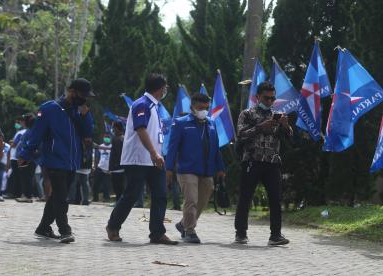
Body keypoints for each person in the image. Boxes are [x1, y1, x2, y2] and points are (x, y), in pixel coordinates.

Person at [17, 78, 95, 244]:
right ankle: (65, 230)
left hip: (73, 161)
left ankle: (43, 227)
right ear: (72, 91)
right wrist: (25, 153)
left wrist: (85, 114)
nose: (85, 99)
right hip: (54, 159)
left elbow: (88, 132)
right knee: (61, 196)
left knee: (58, 196)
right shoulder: (49, 108)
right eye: (82, 95)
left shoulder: (79, 110)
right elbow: (36, 133)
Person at [106, 73, 178, 245]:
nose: (166, 90)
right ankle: (113, 226)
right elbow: (141, 129)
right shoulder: (142, 104)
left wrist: (157, 155)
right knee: (132, 195)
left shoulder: (155, 106)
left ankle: (157, 233)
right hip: (139, 159)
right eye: (165, 87)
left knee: (160, 195)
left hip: (154, 160)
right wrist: (154, 153)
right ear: (160, 89)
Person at [235, 81, 292, 246]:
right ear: (257, 97)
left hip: (272, 162)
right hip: (252, 161)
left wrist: (286, 126)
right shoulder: (247, 114)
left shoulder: (278, 114)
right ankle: (241, 233)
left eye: (272, 99)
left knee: (275, 198)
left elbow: (289, 137)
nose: (269, 102)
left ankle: (275, 235)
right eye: (266, 98)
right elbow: (241, 134)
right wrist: (260, 126)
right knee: (245, 197)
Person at [165, 94, 225, 243]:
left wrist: (220, 168)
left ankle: (183, 224)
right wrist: (169, 169)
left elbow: (216, 148)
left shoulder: (211, 123)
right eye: (200, 108)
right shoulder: (181, 123)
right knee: (191, 200)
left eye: (206, 108)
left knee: (202, 202)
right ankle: (189, 231)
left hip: (207, 170)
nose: (203, 111)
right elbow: (172, 148)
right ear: (192, 107)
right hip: (187, 169)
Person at [16, 113, 37, 203]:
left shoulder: (30, 132)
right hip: (28, 158)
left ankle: (27, 196)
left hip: (26, 158)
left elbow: (27, 146)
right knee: (27, 176)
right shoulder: (32, 131)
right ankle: (26, 194)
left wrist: (22, 157)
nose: (22, 122)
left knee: (26, 176)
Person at [4, 117, 26, 199]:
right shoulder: (26, 131)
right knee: (21, 176)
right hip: (23, 156)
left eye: (19, 122)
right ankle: (20, 193)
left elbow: (14, 144)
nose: (17, 124)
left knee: (15, 176)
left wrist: (12, 142)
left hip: (16, 158)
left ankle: (13, 193)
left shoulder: (21, 133)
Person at [108, 121, 126, 204]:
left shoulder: (117, 139)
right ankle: (119, 201)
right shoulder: (123, 138)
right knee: (119, 186)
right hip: (121, 166)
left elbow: (117, 154)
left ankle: (119, 202)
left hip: (117, 167)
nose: (112, 130)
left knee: (117, 186)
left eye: (113, 128)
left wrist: (113, 165)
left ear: (117, 128)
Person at [92, 134, 112, 202]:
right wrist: (94, 166)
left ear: (110, 138)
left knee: (106, 185)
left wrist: (111, 169)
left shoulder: (112, 146)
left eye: (108, 137)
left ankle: (106, 198)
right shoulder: (101, 146)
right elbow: (96, 156)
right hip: (100, 167)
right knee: (95, 184)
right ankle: (95, 198)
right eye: (105, 137)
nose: (106, 139)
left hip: (108, 169)